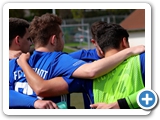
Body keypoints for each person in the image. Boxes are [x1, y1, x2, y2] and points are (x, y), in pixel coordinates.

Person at [15, 20, 144, 109]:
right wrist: (119, 105)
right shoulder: (141, 60)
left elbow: (44, 87)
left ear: (98, 45)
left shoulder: (15, 62)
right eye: (62, 36)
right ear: (124, 42)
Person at [9, 17, 58, 109]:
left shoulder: (30, 56)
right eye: (28, 39)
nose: (31, 43)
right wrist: (35, 102)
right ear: (18, 40)